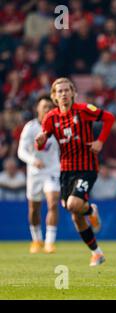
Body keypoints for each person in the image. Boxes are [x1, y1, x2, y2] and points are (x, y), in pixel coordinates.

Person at [35, 78, 115, 267]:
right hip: (66, 171)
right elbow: (43, 141)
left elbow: (109, 118)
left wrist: (100, 141)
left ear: (73, 93)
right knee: (75, 214)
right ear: (54, 97)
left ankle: (90, 210)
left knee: (73, 204)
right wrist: (39, 142)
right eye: (59, 91)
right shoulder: (51, 118)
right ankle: (97, 253)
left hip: (87, 167)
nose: (63, 94)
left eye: (66, 90)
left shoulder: (84, 110)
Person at [17, 95, 60, 254]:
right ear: (38, 109)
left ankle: (49, 242)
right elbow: (21, 151)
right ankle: (36, 240)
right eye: (44, 107)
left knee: (53, 202)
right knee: (34, 208)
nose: (47, 110)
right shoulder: (30, 127)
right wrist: (32, 160)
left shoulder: (58, 127)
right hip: (35, 172)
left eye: (50, 107)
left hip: (53, 170)